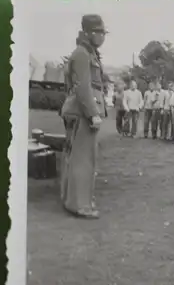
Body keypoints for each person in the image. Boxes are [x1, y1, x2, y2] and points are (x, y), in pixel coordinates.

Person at [60, 14, 107, 219]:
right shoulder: (82, 54)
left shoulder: (87, 53)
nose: (102, 36)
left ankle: (71, 200)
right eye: (98, 32)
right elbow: (82, 87)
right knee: (83, 160)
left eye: (103, 32)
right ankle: (80, 205)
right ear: (87, 32)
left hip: (77, 111)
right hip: (82, 113)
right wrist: (93, 114)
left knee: (75, 157)